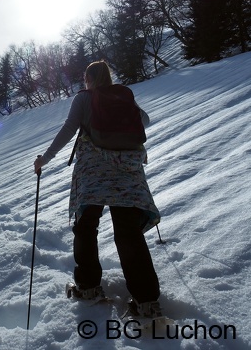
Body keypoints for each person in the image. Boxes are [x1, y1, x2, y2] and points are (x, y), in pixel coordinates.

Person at [33, 61, 161, 318]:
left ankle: (89, 287)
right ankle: (147, 302)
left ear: (89, 79)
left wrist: (44, 159)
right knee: (128, 232)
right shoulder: (123, 96)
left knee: (86, 226)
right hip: (127, 171)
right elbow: (144, 120)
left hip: (93, 172)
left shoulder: (85, 99)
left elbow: (69, 128)